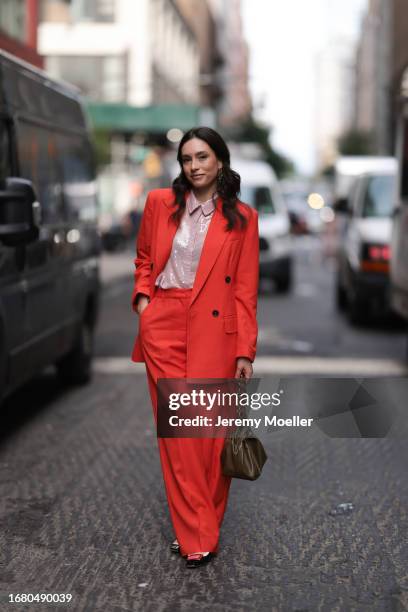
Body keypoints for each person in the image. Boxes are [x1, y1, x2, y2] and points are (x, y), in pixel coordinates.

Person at [130, 127, 259, 568]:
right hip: (163, 323)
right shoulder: (158, 204)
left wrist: (245, 350)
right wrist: (145, 299)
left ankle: (202, 526)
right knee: (180, 437)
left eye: (203, 156)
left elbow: (245, 291)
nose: (195, 166)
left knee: (209, 439)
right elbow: (145, 258)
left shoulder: (243, 218)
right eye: (187, 159)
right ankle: (197, 535)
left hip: (215, 330)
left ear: (220, 161)